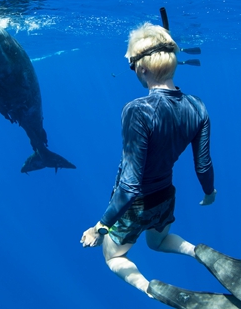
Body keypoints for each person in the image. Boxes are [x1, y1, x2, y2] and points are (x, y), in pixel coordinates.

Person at [80, 22, 217, 298]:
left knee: (113, 258)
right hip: (165, 197)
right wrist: (209, 192)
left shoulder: (137, 111)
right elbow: (203, 165)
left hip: (135, 204)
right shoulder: (197, 106)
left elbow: (130, 185)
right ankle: (198, 252)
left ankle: (150, 290)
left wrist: (100, 226)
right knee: (159, 240)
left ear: (142, 69)